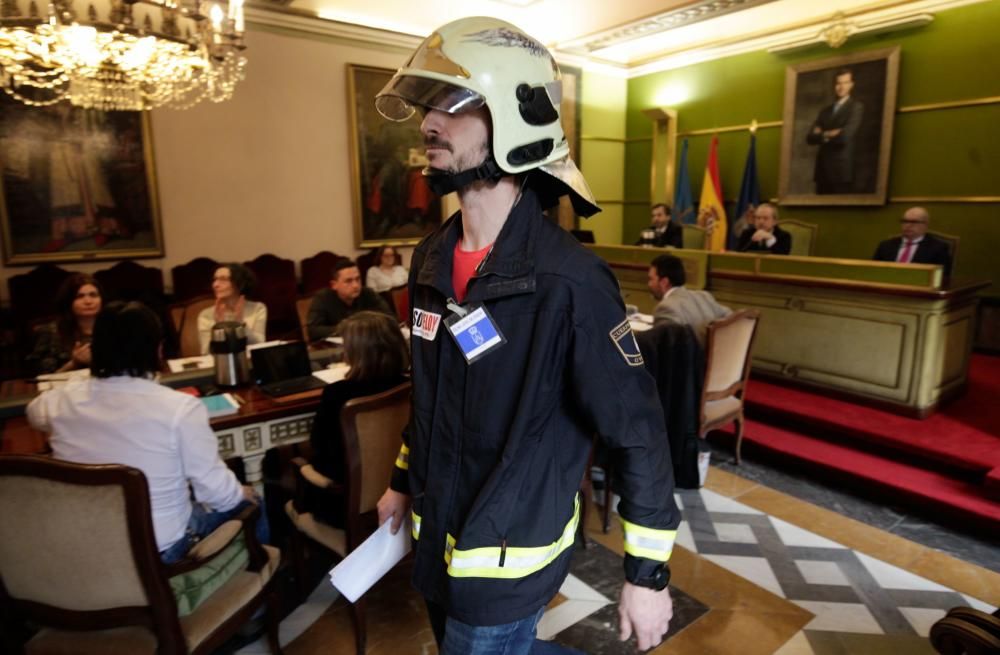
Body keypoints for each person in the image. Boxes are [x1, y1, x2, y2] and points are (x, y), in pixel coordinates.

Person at [373, 17, 679, 654]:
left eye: (452, 104)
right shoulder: (430, 259)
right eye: (427, 106)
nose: (428, 124)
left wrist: (647, 574)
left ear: (517, 119)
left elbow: (637, 429)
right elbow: (429, 399)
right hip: (436, 539)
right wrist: (401, 481)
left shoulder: (570, 281)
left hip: (508, 559)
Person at [26, 301, 265, 563]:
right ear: (158, 349)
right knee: (251, 500)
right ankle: (262, 574)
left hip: (86, 547)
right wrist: (240, 492)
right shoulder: (179, 409)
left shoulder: (60, 402)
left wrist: (77, 386)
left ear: (95, 349)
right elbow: (216, 493)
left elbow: (33, 413)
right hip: (159, 551)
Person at [308, 311, 410, 526]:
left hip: (345, 509)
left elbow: (321, 459)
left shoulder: (336, 395)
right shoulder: (414, 388)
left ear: (355, 352)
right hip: (405, 498)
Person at [26, 273, 103, 375]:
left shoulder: (115, 328)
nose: (88, 301)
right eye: (79, 296)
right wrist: (74, 363)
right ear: (68, 301)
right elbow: (43, 377)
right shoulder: (50, 332)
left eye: (93, 295)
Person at [648, 254, 730, 345]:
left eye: (651, 279)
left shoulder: (665, 308)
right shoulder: (704, 295)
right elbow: (732, 319)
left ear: (664, 282)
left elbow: (663, 348)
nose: (649, 284)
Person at [806, 68, 863, 194]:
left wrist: (821, 134)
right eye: (838, 83)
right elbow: (810, 138)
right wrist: (829, 133)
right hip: (822, 171)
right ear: (834, 86)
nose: (841, 87)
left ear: (851, 85)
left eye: (845, 83)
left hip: (841, 171)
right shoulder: (825, 111)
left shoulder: (856, 107)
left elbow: (845, 137)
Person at [306, 258, 393, 340]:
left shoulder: (368, 293)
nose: (355, 285)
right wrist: (349, 328)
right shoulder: (323, 298)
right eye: (348, 281)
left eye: (358, 279)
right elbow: (313, 331)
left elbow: (390, 318)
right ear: (334, 285)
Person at [197, 263, 268, 354]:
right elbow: (206, 352)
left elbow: (259, 345)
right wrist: (219, 328)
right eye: (215, 279)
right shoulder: (205, 315)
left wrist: (241, 325)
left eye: (223, 279)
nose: (215, 285)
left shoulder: (257, 308)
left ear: (240, 283)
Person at [873, 206, 953, 277]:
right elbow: (874, 271)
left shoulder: (938, 248)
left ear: (925, 225)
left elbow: (942, 277)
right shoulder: (885, 246)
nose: (908, 225)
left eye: (914, 222)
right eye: (905, 221)